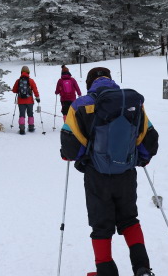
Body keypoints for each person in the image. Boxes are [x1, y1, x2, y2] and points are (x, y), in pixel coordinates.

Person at [60, 67, 159, 276]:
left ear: (89, 83)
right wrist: (142, 158)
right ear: (110, 81)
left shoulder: (80, 105)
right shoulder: (130, 102)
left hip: (96, 176)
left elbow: (71, 147)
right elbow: (147, 136)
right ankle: (142, 269)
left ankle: (106, 271)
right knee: (130, 220)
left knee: (101, 226)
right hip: (126, 173)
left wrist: (72, 156)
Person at [11, 65, 40, 135]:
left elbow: (14, 90)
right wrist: (37, 97)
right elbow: (35, 90)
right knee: (30, 114)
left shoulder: (18, 81)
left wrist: (19, 90)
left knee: (22, 115)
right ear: (28, 72)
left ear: (21, 72)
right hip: (29, 100)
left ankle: (22, 129)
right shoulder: (31, 81)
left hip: (21, 101)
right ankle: (31, 127)